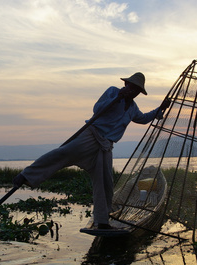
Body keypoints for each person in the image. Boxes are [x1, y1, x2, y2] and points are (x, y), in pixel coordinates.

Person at [13, 72, 170, 229]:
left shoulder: (133, 108)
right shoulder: (113, 92)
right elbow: (97, 109)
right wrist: (118, 98)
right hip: (91, 135)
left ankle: (102, 221)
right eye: (131, 87)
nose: (133, 91)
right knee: (64, 154)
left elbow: (142, 118)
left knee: (105, 182)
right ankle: (26, 176)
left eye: (136, 90)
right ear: (126, 85)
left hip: (106, 146)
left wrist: (160, 109)